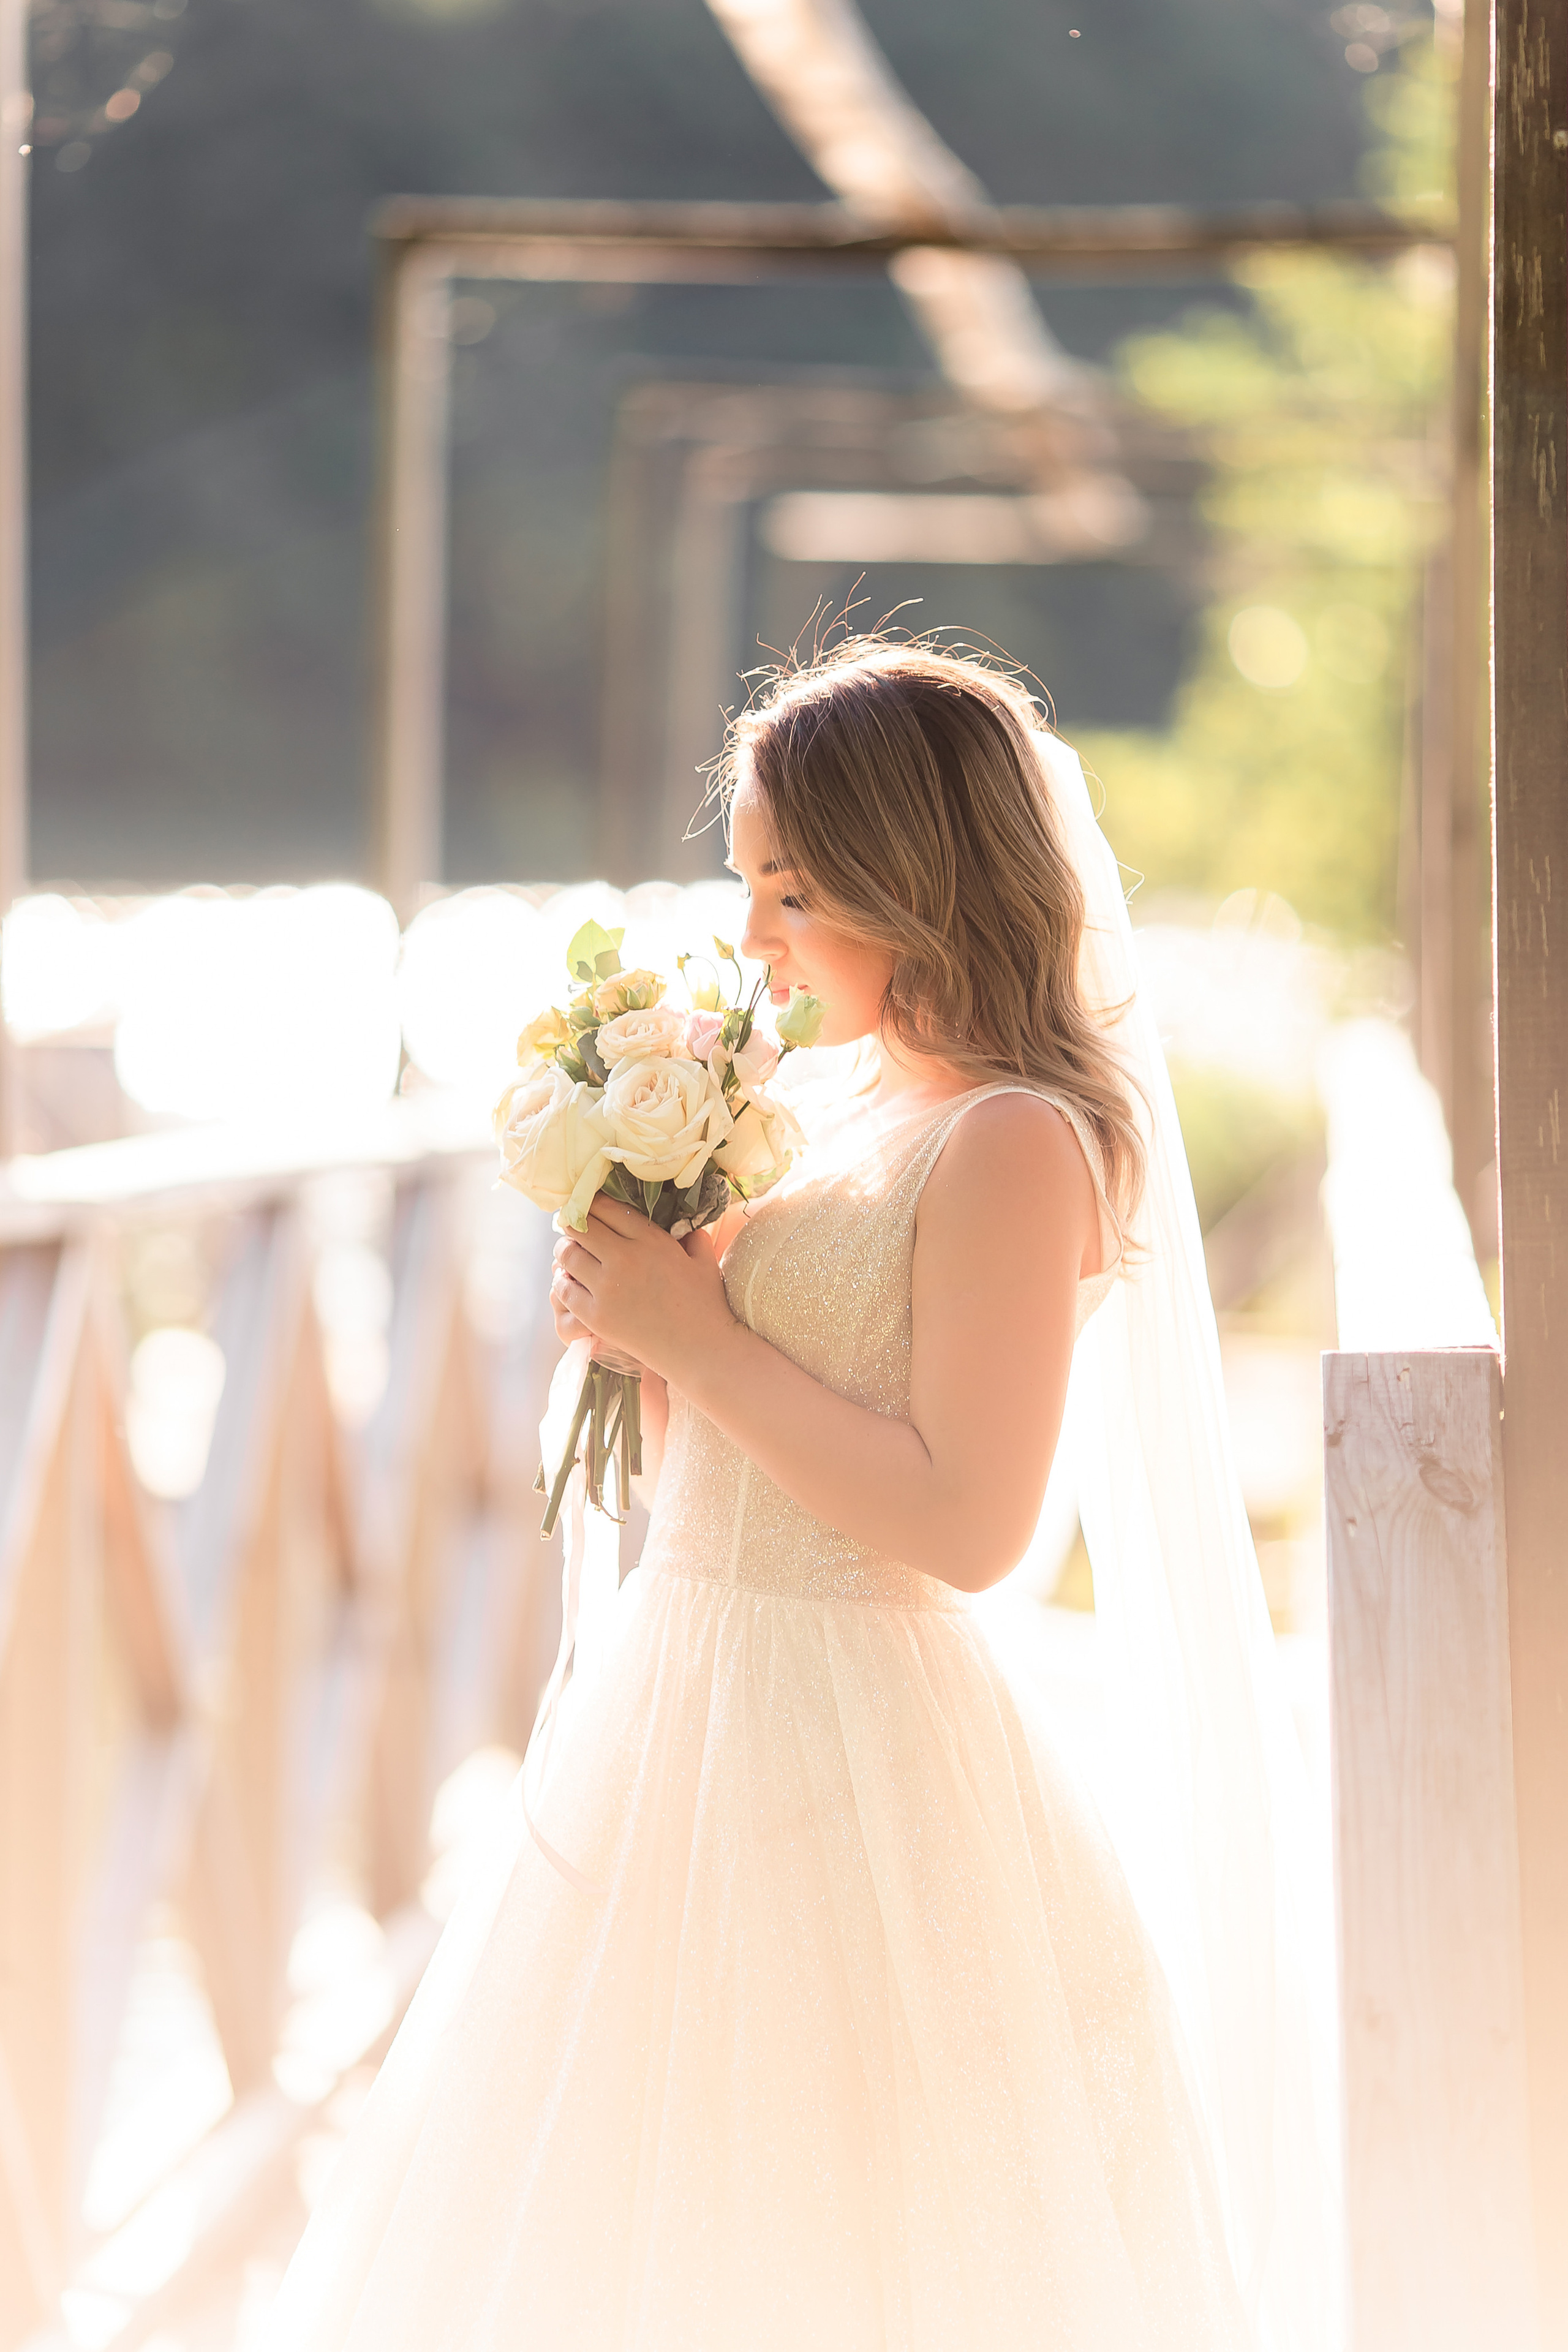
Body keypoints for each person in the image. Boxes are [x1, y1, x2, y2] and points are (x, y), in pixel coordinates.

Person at [266, 639, 1338, 2351]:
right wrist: (642, 1340)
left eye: (796, 890)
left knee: (835, 2228)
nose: (753, 937)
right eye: (748, 883)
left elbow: (970, 1528)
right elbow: (733, 1458)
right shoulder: (825, 1109)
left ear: (917, 881)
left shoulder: (1008, 1138)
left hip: (856, 1742)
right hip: (677, 1702)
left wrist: (700, 1330)